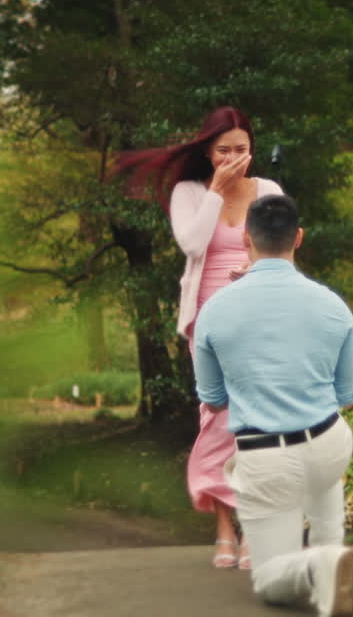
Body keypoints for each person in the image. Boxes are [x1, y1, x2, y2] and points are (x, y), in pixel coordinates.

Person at [115, 106, 282, 569]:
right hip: (208, 320)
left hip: (260, 317)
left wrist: (258, 267)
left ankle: (253, 528)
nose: (234, 158)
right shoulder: (189, 192)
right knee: (217, 418)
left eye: (242, 150)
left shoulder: (268, 191)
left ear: (253, 148)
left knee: (258, 420)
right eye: (223, 151)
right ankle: (225, 528)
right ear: (208, 153)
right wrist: (216, 191)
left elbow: (282, 249)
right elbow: (191, 244)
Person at [193, 194, 353, 617]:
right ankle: (328, 552)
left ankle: (316, 562)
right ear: (299, 238)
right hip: (328, 443)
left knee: (272, 586)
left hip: (265, 455)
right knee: (324, 476)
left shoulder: (214, 311)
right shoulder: (334, 306)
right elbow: (348, 393)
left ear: (245, 240)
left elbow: (212, 399)